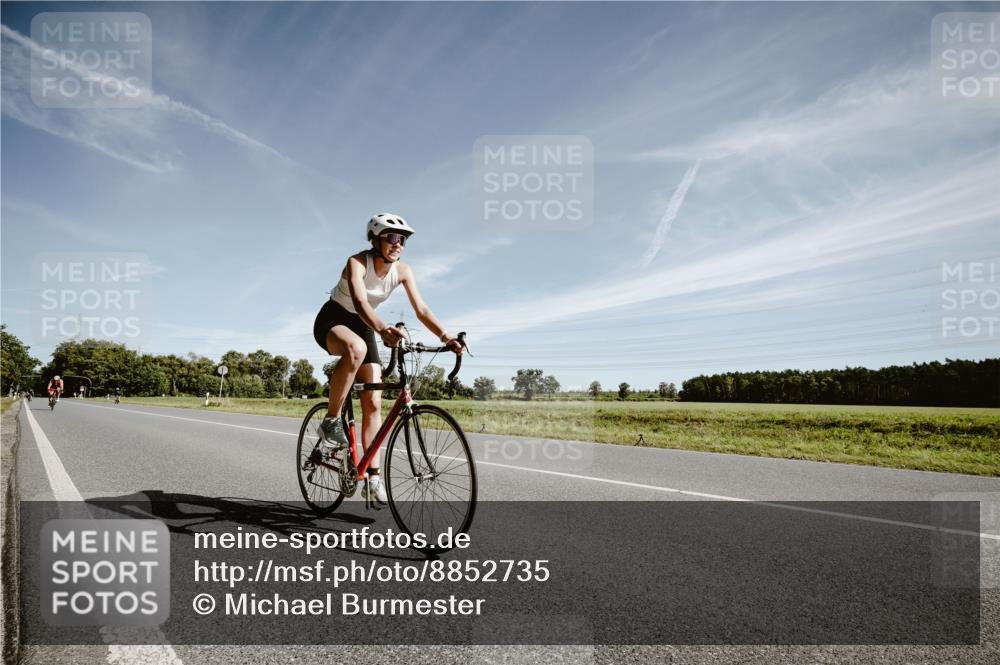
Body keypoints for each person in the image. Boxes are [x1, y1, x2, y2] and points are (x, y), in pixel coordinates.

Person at [312, 213, 462, 506]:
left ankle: (373, 477)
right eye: (392, 238)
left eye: (402, 240)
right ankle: (331, 421)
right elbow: (359, 302)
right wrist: (382, 329)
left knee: (374, 401)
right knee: (355, 349)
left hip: (366, 326)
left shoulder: (403, 271)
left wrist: (447, 337)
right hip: (334, 320)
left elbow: (421, 309)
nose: (398, 244)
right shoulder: (357, 262)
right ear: (376, 240)